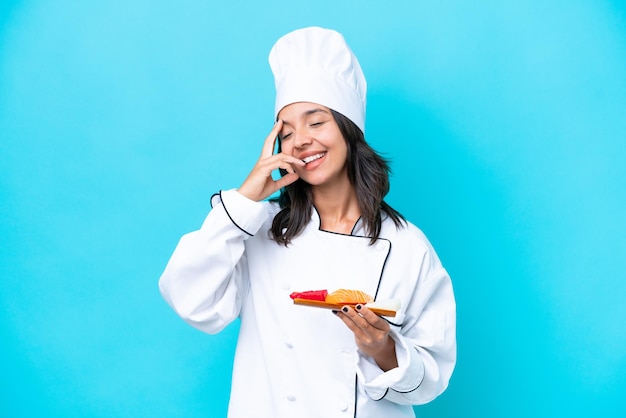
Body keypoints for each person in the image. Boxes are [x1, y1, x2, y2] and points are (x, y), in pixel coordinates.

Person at [159, 26, 456, 418]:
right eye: (287, 131)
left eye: (316, 123)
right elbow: (190, 300)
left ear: (349, 131)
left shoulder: (407, 246)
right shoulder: (259, 230)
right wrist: (246, 197)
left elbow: (431, 378)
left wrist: (382, 349)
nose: (300, 141)